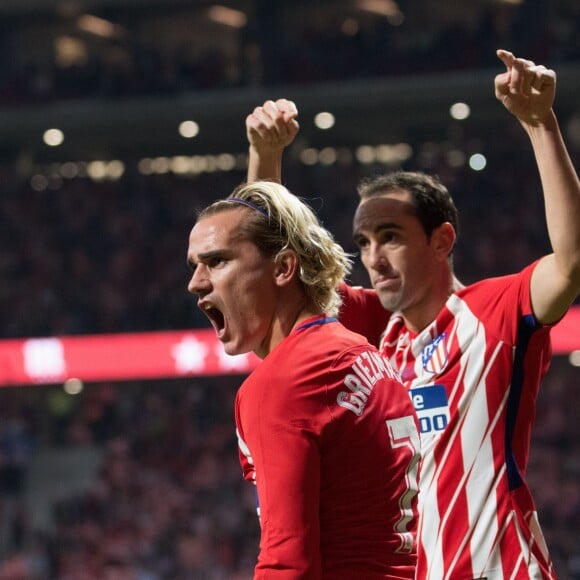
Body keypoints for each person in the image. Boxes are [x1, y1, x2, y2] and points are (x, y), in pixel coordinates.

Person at [244, 49, 580, 579]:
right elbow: (275, 291)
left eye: (391, 237)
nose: (373, 257)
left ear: (442, 240)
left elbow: (571, 261)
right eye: (365, 241)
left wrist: (540, 123)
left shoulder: (494, 311)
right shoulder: (374, 333)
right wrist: (265, 160)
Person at [186, 181, 422, 578]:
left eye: (217, 261)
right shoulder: (364, 354)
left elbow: (288, 563)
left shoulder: (284, 383)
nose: (196, 281)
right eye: (195, 264)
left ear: (283, 268)